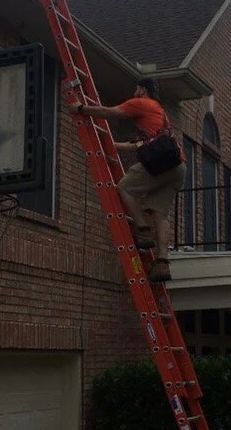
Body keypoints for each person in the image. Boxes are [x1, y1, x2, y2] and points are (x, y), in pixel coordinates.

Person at [72, 78, 186, 283]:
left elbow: (108, 112)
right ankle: (162, 262)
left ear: (143, 89)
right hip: (178, 166)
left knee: (124, 187)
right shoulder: (159, 112)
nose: (135, 91)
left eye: (137, 88)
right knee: (160, 215)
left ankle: (142, 229)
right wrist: (113, 145)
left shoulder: (140, 103)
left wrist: (81, 108)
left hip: (159, 163)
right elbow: (142, 144)